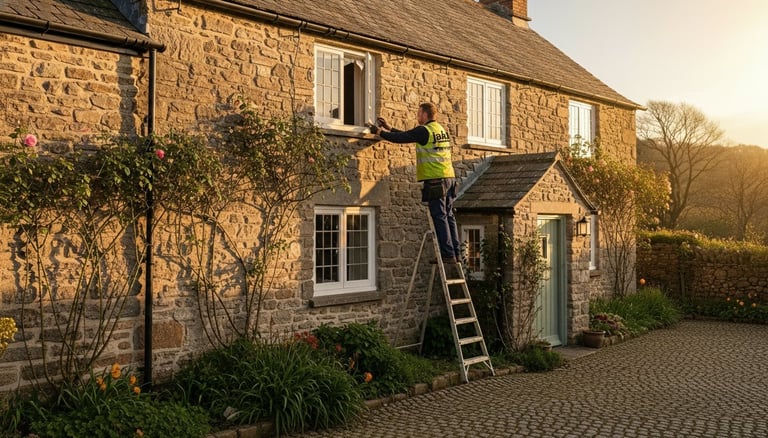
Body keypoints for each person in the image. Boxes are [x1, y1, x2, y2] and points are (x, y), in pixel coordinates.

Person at [368, 103, 461, 264]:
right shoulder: (440, 130)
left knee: (439, 217)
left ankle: (447, 255)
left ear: (425, 115)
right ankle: (456, 253)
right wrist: (389, 128)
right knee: (449, 216)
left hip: (435, 180)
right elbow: (408, 134)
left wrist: (379, 132)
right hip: (450, 178)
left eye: (418, 114)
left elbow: (401, 138)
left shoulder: (424, 130)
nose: (417, 117)